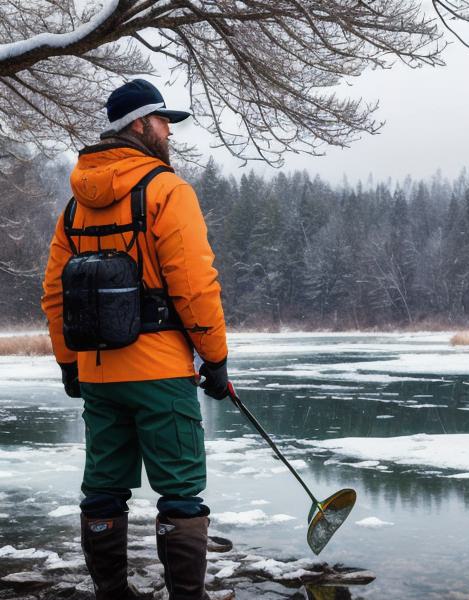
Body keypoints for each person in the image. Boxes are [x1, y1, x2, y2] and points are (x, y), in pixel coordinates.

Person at [41, 79, 230, 600]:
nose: (169, 130)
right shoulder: (168, 191)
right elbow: (194, 285)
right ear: (139, 126)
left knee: (103, 489)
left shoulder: (76, 205)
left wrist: (68, 364)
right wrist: (215, 358)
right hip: (161, 372)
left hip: (99, 374)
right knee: (181, 492)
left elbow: (55, 292)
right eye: (163, 120)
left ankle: (112, 594)